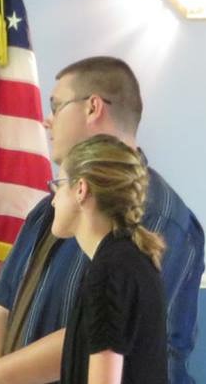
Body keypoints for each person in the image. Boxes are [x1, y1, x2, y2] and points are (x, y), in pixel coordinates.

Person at [0, 56, 204, 384]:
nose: (46, 121)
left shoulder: (156, 216)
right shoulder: (46, 211)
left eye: (56, 106)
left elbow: (104, 334)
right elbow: (0, 307)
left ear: (93, 107)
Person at [50, 134, 166, 383]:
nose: (53, 200)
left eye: (58, 185)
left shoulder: (109, 271)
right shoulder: (133, 259)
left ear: (81, 189)